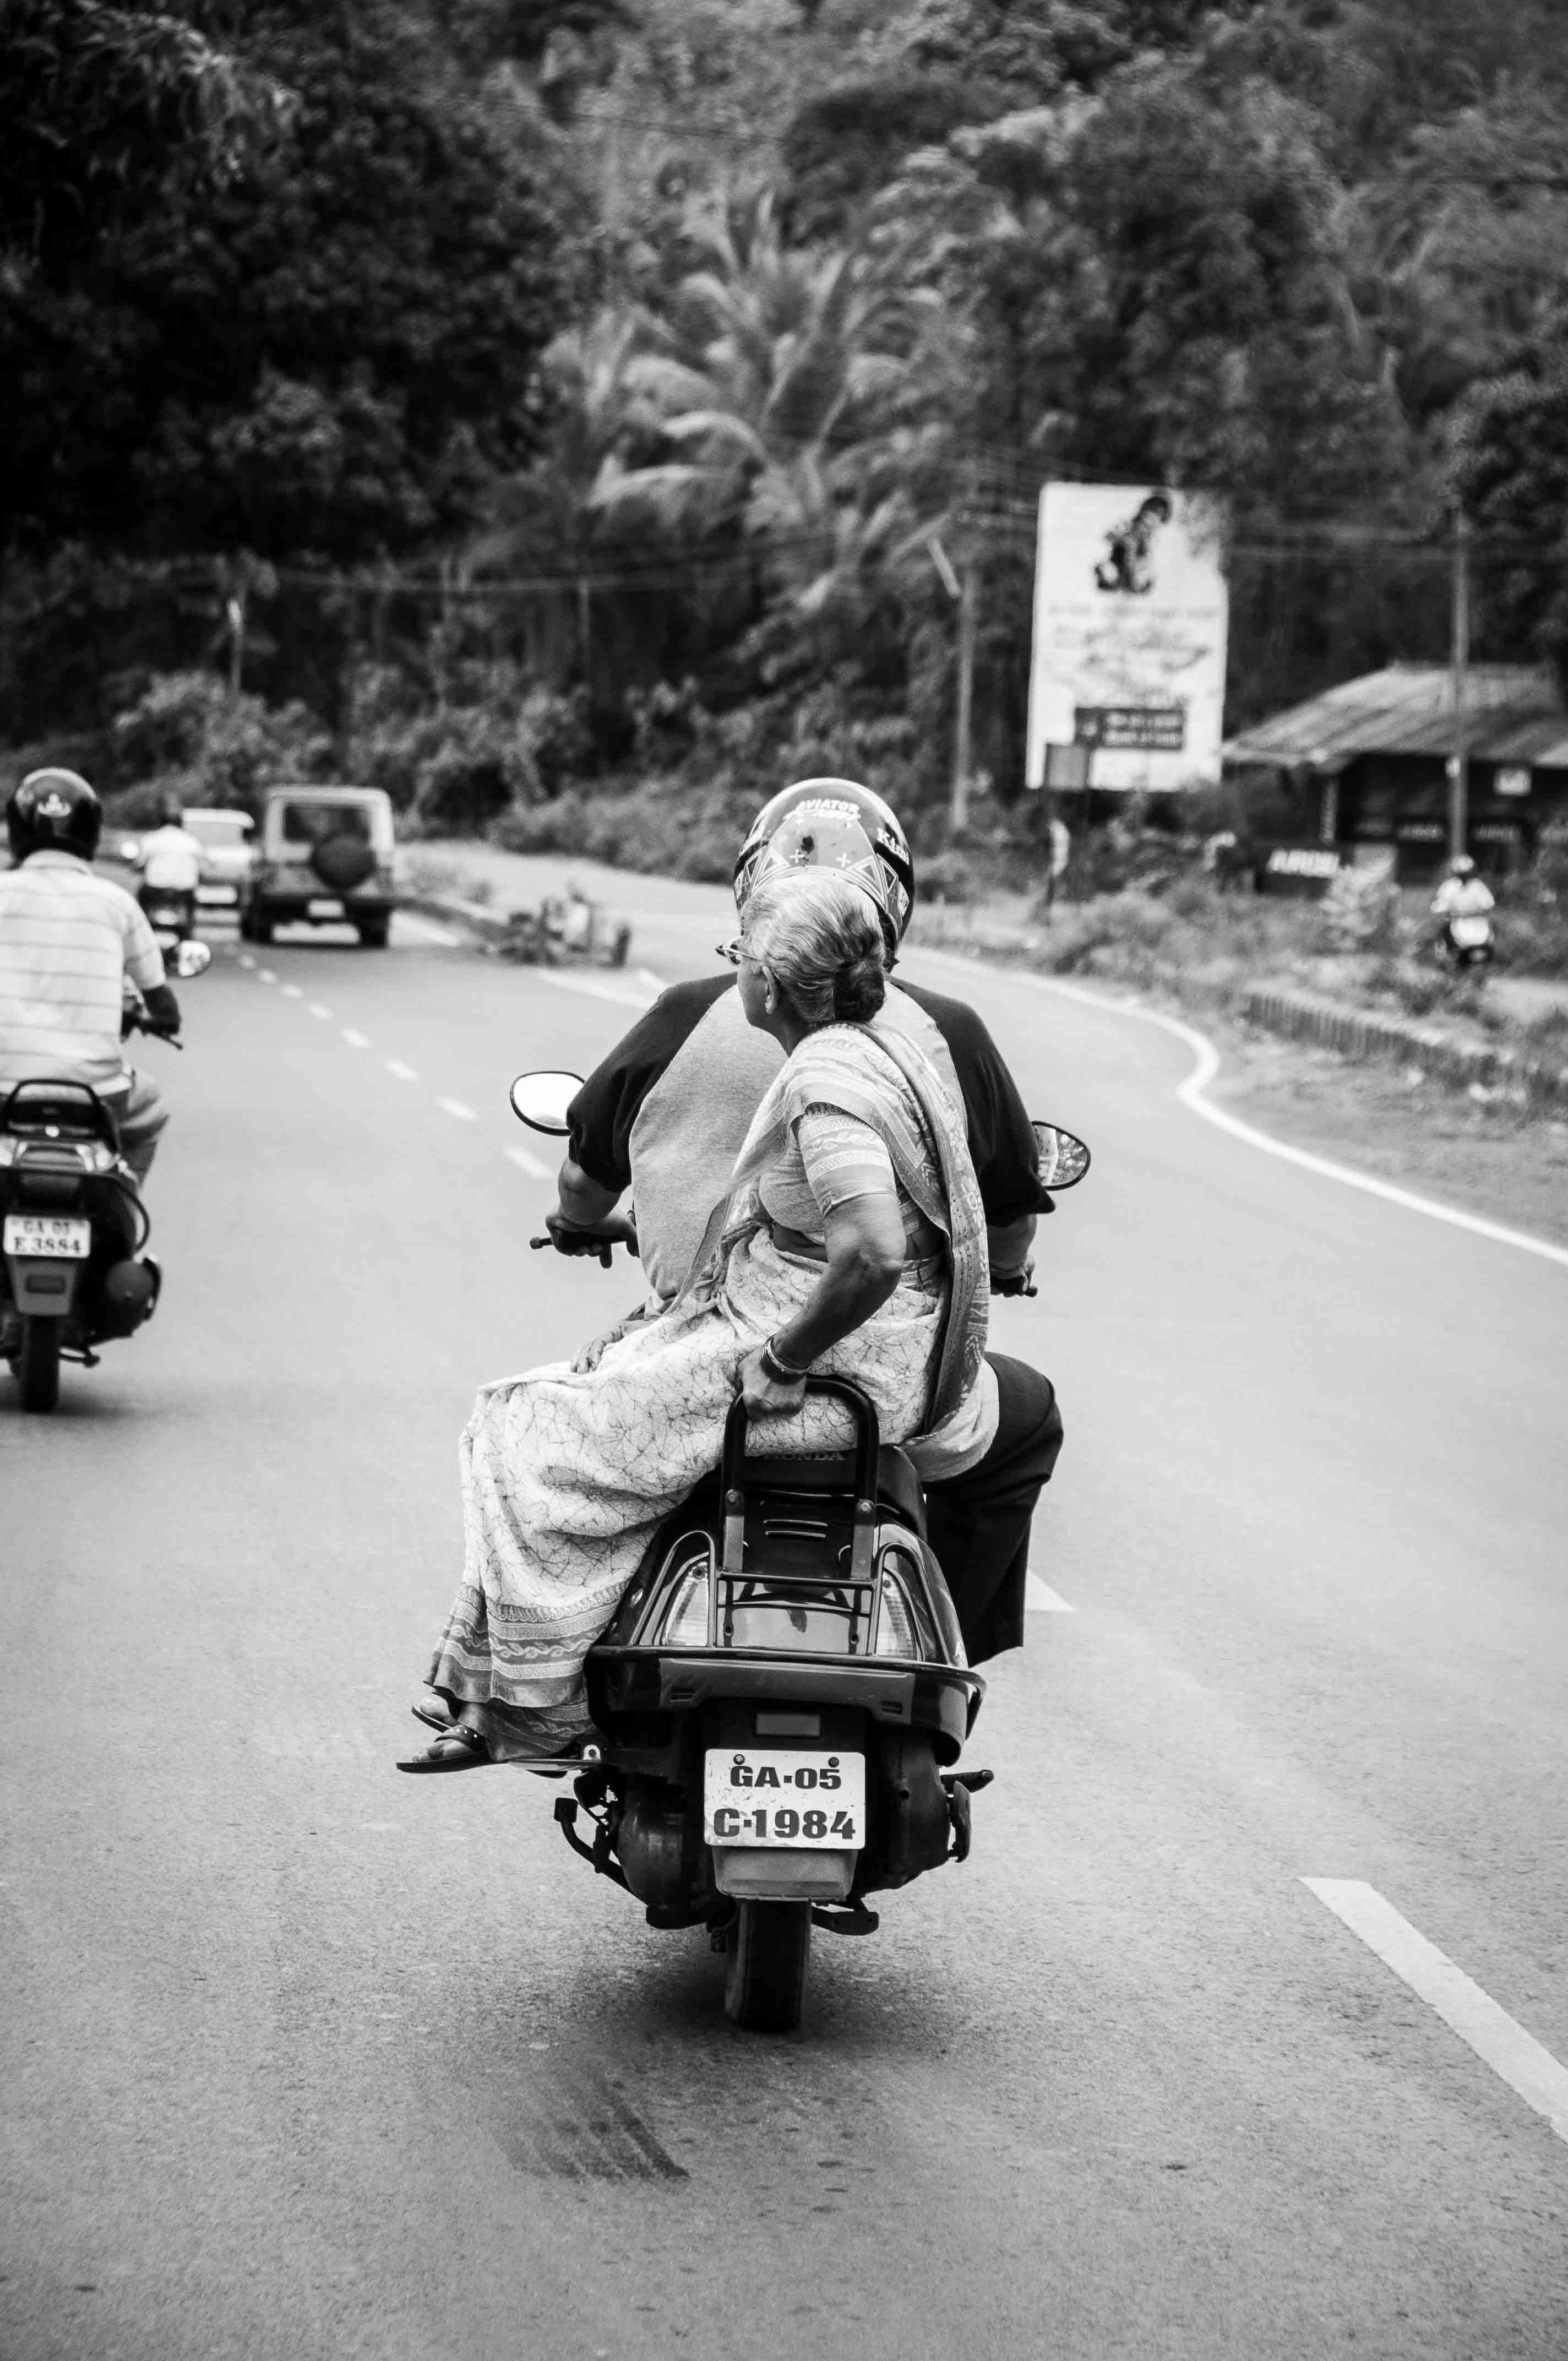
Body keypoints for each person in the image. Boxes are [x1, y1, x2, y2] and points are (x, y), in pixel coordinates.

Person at [401, 868, 991, 1770]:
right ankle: (496, 1691)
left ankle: (536, 1702)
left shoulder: (825, 1080)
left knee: (515, 1421)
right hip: (874, 1351)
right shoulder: (878, 1047)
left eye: (741, 956)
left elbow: (870, 1251)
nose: (736, 970)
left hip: (835, 1366)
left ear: (767, 984)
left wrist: (785, 1360)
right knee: (589, 1390)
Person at [542, 778, 1064, 1666]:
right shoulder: (944, 1034)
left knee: (546, 1445)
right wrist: (1004, 1267)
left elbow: (585, 1183)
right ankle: (945, 1661)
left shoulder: (691, 1017)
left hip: (721, 1362)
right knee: (1030, 1418)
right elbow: (1006, 1224)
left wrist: (577, 1220)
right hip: (883, 1384)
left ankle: (538, 1677)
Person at [0, 769, 181, 1185]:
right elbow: (161, 1002)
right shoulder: (117, 903)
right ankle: (123, 1197)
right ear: (92, 831)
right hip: (99, 1092)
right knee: (151, 1111)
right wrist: (163, 1019)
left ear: (16, 828)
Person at [1431, 853, 1495, 942]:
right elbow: (1442, 904)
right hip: (1457, 923)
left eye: (1466, 874)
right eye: (1461, 874)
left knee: (1490, 939)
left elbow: (1488, 903)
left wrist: (1484, 909)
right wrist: (1442, 910)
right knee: (1442, 935)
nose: (1464, 877)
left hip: (1478, 923)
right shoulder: (1449, 887)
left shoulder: (1477, 886)